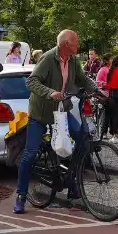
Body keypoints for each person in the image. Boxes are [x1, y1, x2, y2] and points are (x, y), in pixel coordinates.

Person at [17, 30, 102, 214]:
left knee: (82, 139)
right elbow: (31, 82)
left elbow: (82, 79)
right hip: (40, 113)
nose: (78, 45)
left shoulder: (73, 61)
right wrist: (50, 92)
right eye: (75, 42)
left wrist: (96, 90)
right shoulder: (48, 59)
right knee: (30, 154)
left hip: (61, 110)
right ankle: (21, 196)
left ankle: (72, 182)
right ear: (65, 44)